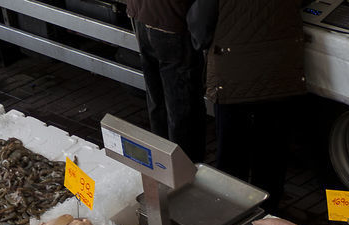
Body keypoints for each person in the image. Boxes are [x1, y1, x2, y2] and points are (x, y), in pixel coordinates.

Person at [204, 0, 307, 206]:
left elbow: (200, 24)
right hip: (279, 71)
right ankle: (268, 216)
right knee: (271, 152)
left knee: (232, 155)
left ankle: (232, 216)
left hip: (232, 76)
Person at [126, 0, 207, 163]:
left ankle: (162, 166)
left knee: (158, 103)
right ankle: (184, 171)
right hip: (171, 20)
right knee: (182, 108)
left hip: (141, 15)